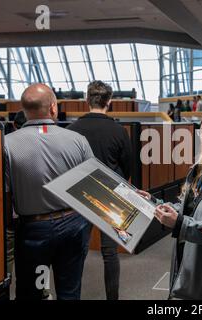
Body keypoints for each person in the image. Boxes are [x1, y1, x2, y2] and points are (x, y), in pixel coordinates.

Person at [138, 106, 202, 300]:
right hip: (188, 264)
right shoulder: (199, 169)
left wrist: (179, 223)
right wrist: (155, 203)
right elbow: (188, 209)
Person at [4, 84, 94, 300]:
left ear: (24, 110)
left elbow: (3, 195)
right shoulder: (77, 140)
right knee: (69, 291)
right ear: (53, 108)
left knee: (33, 291)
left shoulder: (5, 145)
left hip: (33, 231)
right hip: (73, 225)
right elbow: (93, 185)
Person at [67, 80, 132, 300]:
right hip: (111, 197)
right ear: (109, 101)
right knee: (110, 253)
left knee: (77, 253)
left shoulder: (71, 130)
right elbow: (128, 167)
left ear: (87, 100)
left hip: (79, 195)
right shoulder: (118, 130)